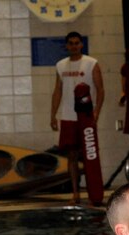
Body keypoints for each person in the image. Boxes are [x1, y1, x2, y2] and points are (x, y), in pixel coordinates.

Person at [50, 31, 104, 205]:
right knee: (71, 157)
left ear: (81, 44)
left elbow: (100, 89)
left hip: (86, 118)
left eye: (76, 43)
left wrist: (96, 112)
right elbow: (57, 91)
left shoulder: (91, 63)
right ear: (66, 46)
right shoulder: (60, 65)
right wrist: (53, 115)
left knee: (90, 155)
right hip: (68, 117)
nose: (74, 46)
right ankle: (75, 192)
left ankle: (93, 192)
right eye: (70, 43)